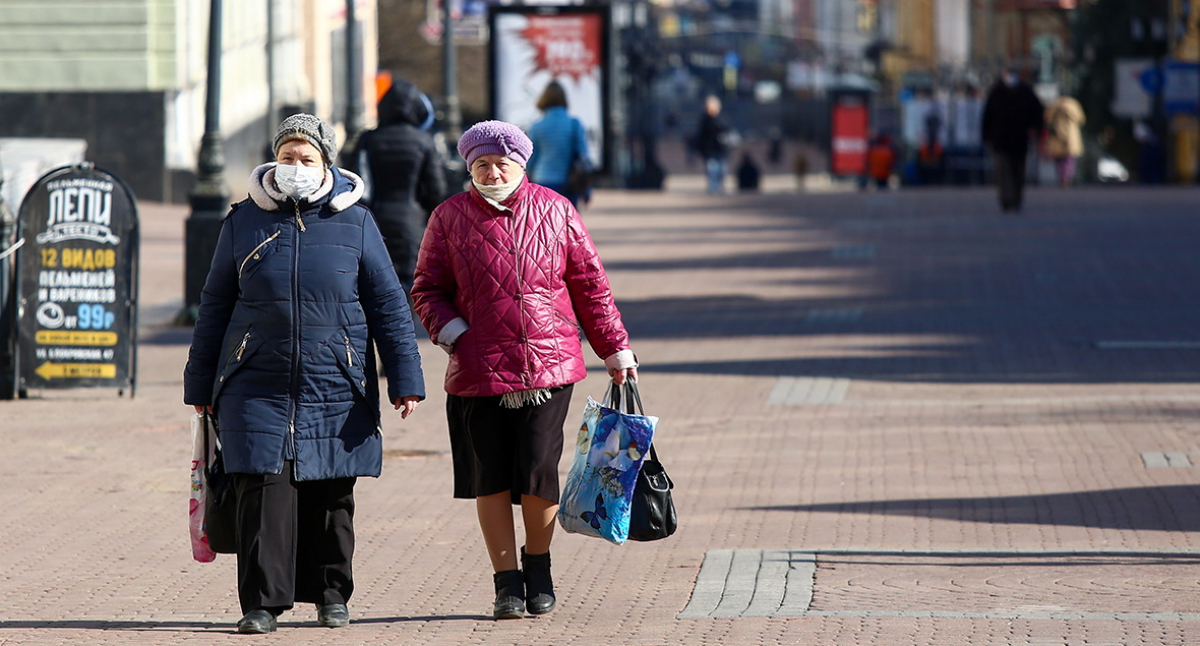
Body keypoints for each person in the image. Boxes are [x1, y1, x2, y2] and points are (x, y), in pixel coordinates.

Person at [183, 113, 425, 634]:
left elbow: (388, 303)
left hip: (335, 379)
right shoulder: (243, 221)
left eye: (306, 158)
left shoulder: (356, 222)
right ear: (274, 159)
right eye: (287, 156)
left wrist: (405, 376)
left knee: (330, 490)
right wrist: (200, 384)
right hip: (254, 379)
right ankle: (262, 604)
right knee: (259, 486)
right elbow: (214, 304)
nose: (296, 166)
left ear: (326, 165)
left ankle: (331, 594)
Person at [410, 120, 638, 620]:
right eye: (481, 165)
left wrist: (614, 348)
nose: (492, 172)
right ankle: (506, 582)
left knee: (538, 471)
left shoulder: (557, 210)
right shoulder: (448, 218)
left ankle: (539, 568)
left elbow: (590, 286)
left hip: (547, 366)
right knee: (489, 476)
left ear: (522, 165)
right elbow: (427, 288)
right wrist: (456, 335)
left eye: (502, 163)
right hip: (477, 368)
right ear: (469, 167)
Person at [346, 77, 447, 294]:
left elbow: (356, 181)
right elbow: (436, 189)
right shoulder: (423, 141)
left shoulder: (369, 139)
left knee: (373, 281)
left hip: (374, 219)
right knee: (409, 284)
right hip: (412, 223)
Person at [981, 67, 1044, 212]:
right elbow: (987, 116)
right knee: (1003, 171)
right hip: (1000, 139)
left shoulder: (1026, 92)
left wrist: (1036, 130)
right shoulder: (996, 92)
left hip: (1020, 140)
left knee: (1018, 171)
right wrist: (986, 136)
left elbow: (1037, 113)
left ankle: (1016, 198)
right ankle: (1006, 199)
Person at [526, 81, 591, 207]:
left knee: (545, 224)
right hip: (569, 183)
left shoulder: (537, 127)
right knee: (568, 223)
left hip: (543, 181)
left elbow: (531, 160)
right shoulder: (574, 124)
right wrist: (587, 189)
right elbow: (583, 158)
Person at [1043, 95, 1085, 188]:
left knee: (1059, 159)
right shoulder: (1074, 104)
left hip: (1057, 133)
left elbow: (1047, 118)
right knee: (1069, 158)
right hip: (1071, 134)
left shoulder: (1054, 104)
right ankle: (1067, 176)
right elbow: (1081, 119)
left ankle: (1062, 176)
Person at [694, 95, 731, 195]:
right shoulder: (705, 119)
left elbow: (726, 131)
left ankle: (720, 187)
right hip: (710, 149)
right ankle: (713, 188)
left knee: (722, 170)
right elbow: (701, 135)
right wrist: (700, 149)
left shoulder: (721, 118)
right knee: (712, 170)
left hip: (721, 149)